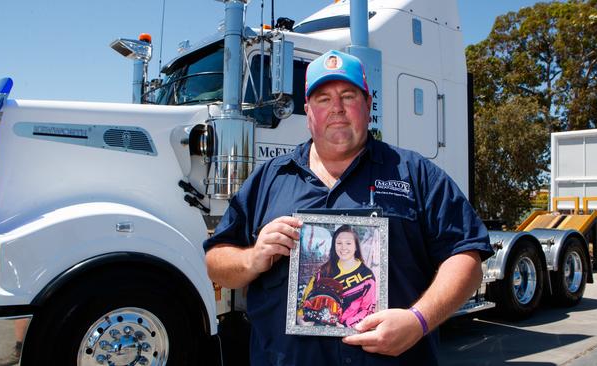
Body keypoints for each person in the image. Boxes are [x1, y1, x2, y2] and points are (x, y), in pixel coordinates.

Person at [205, 49, 493, 365]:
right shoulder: (269, 179)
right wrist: (252, 259)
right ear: (308, 111)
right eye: (323, 99)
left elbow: (467, 257)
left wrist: (418, 321)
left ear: (368, 105)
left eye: (348, 96)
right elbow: (216, 261)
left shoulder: (416, 173)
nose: (337, 109)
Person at [297, 225, 376, 328]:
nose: (343, 247)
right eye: (339, 243)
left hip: (348, 334)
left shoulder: (367, 276)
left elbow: (367, 310)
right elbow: (307, 296)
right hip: (317, 328)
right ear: (334, 246)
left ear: (356, 246)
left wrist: (346, 326)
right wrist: (300, 317)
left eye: (348, 243)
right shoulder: (324, 270)